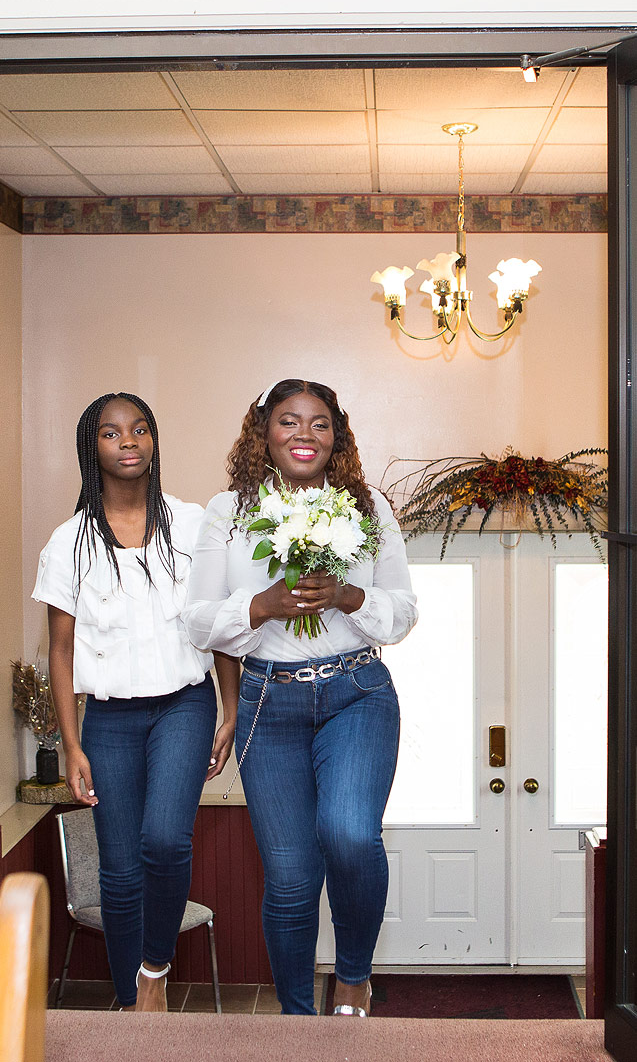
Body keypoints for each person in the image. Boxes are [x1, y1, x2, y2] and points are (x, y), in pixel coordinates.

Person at [182, 378, 418, 1017]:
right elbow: (198, 620)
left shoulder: (368, 509)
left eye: (320, 423)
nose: (304, 435)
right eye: (289, 421)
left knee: (349, 835)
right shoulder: (227, 512)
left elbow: (402, 614)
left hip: (356, 693)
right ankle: (296, 1023)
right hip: (268, 703)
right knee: (289, 879)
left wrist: (348, 597)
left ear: (337, 435)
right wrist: (260, 606)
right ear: (263, 433)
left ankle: (353, 979)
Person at [32, 392, 235, 1012]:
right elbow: (61, 655)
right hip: (112, 719)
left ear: (153, 441)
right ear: (90, 448)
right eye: (112, 432)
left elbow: (219, 624)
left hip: (185, 705)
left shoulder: (195, 524)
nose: (129, 441)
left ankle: (154, 971)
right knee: (119, 869)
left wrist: (229, 708)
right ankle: (130, 1008)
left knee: (166, 842)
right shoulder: (67, 546)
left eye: (140, 429)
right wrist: (71, 743)